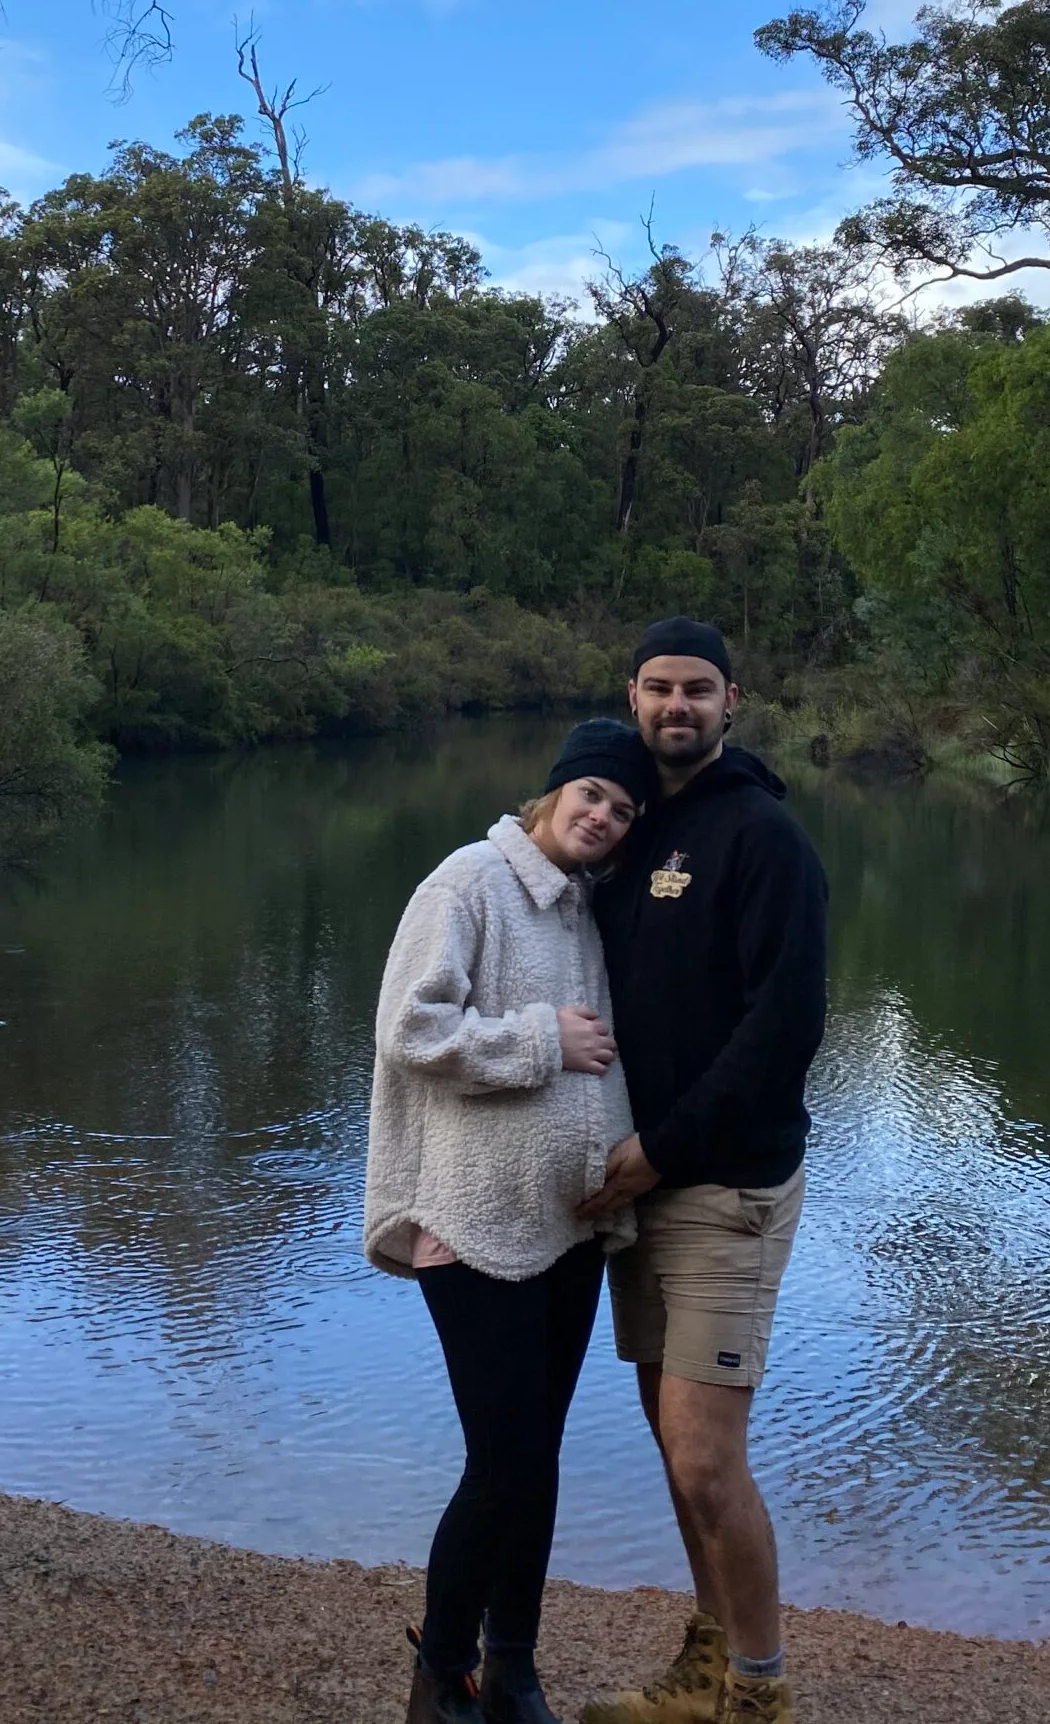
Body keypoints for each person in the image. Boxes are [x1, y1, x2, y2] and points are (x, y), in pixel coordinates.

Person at [365, 718, 658, 1724]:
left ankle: (515, 1668)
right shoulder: (470, 881)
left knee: (539, 1457)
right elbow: (409, 1028)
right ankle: (440, 1671)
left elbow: (606, 1053)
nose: (603, 817)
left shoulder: (584, 909)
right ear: (550, 794)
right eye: (591, 796)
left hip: (568, 1228)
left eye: (621, 810)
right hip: (472, 1222)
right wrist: (540, 1040)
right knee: (505, 1462)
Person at [577, 620, 827, 1724]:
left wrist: (662, 1150)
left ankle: (763, 1695)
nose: (678, 705)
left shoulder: (765, 839)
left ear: (735, 702)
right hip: (648, 1186)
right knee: (674, 1451)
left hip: (725, 1186)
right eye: (660, 687)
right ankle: (711, 1662)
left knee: (704, 1456)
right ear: (631, 697)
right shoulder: (629, 828)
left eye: (699, 689)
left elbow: (785, 1026)